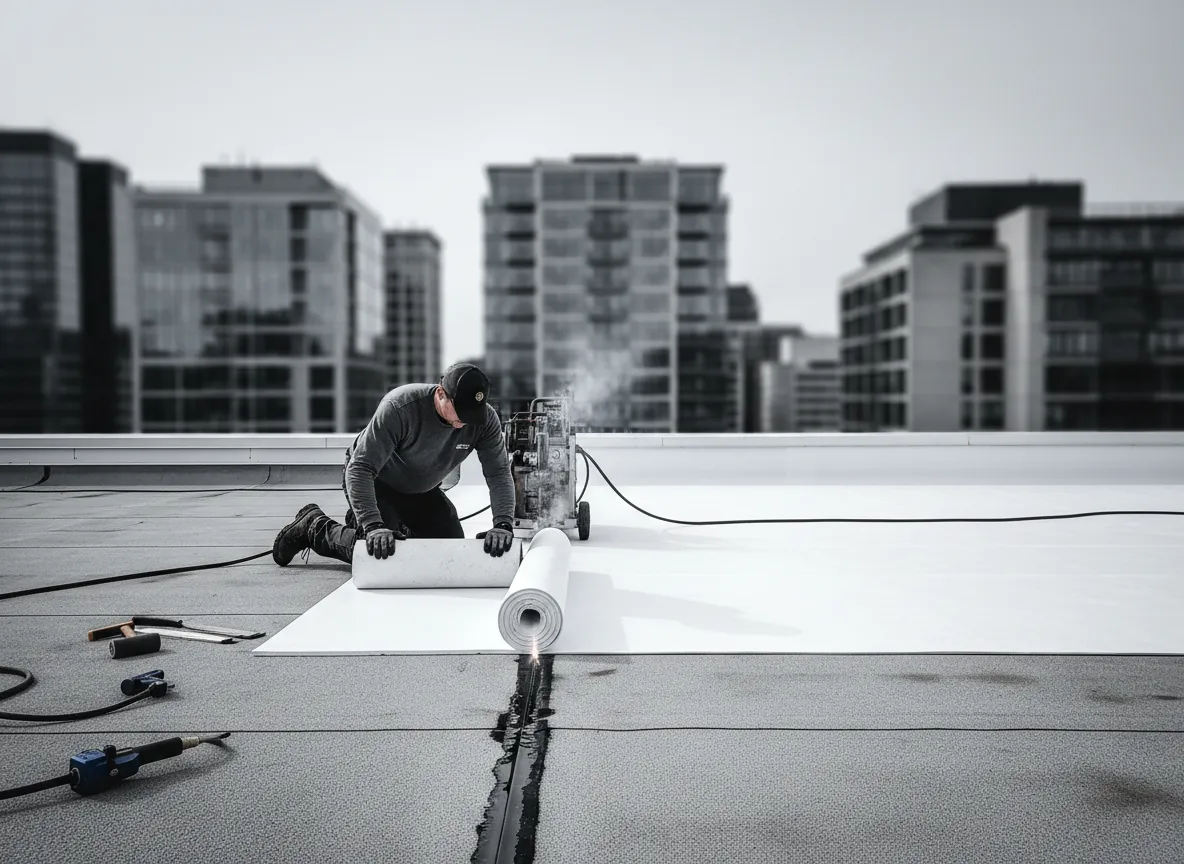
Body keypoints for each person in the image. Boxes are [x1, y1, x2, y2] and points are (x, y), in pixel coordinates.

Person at [271, 362, 517, 566]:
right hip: (377, 482)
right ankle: (315, 527)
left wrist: (503, 524)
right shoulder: (401, 407)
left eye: (472, 412)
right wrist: (373, 525)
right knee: (383, 556)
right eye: (460, 411)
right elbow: (360, 469)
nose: (465, 422)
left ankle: (371, 522)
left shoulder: (484, 421)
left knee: (449, 552)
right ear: (441, 394)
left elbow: (498, 473)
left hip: (421, 488)